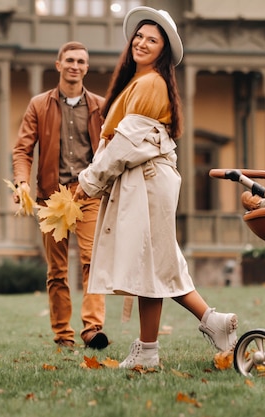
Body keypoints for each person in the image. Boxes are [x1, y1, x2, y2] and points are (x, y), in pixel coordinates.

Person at [74, 7, 238, 368]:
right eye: (140, 36)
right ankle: (192, 331)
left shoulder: (150, 83)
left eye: (152, 39)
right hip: (146, 180)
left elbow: (125, 144)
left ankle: (176, 339)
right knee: (156, 263)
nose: (142, 42)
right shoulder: (141, 81)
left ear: (163, 50)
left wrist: (89, 182)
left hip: (147, 181)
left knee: (155, 262)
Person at [12, 41, 109, 349]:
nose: (75, 66)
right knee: (56, 271)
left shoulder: (100, 106)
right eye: (69, 60)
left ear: (87, 68)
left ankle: (92, 329)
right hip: (51, 198)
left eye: (81, 61)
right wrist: (21, 182)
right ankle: (63, 334)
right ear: (58, 65)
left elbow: (111, 150)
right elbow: (22, 149)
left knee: (93, 261)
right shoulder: (39, 105)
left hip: (88, 195)